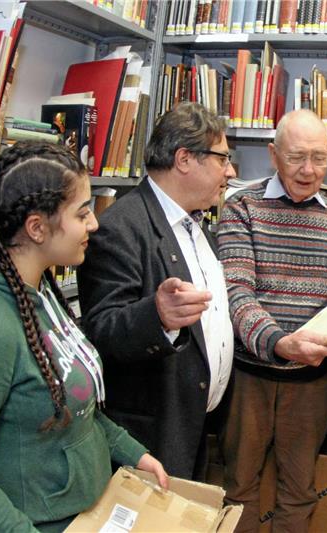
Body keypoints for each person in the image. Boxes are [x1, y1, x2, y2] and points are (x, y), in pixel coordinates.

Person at [0, 141, 167, 533]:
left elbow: (74, 404)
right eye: (82, 213)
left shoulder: (41, 293)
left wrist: (131, 453)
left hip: (86, 511)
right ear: (37, 228)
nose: (94, 224)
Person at [216, 109, 327, 532]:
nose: (309, 169)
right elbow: (236, 294)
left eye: (319, 157)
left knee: (299, 493)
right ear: (273, 154)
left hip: (313, 381)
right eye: (297, 157)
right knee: (239, 489)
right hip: (249, 378)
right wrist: (280, 342)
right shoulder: (242, 208)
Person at [78, 102, 236, 480]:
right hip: (151, 436)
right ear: (184, 159)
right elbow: (100, 330)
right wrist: (158, 316)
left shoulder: (196, 226)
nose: (230, 172)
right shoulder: (121, 226)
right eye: (223, 159)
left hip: (192, 425)